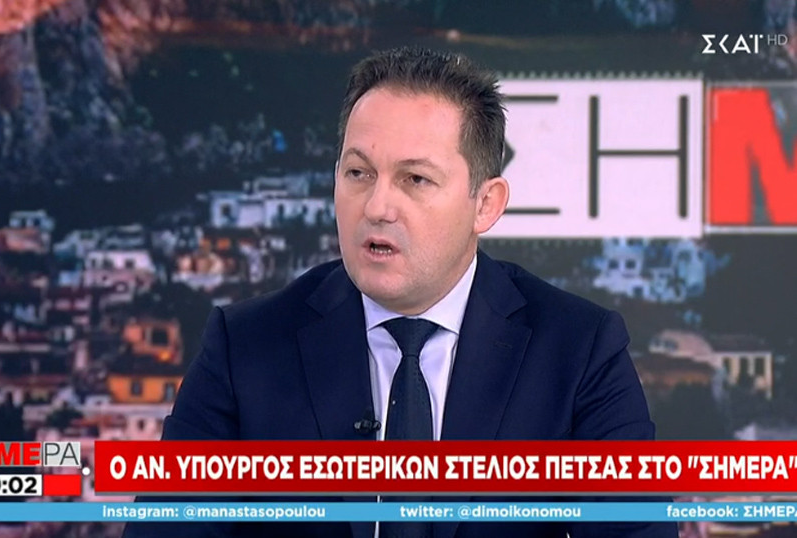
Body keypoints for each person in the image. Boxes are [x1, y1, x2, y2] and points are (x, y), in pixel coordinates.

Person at [123, 47, 678, 538]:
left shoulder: (578, 351)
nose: (377, 206)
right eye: (358, 173)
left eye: (415, 179)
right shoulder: (243, 348)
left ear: (485, 204)